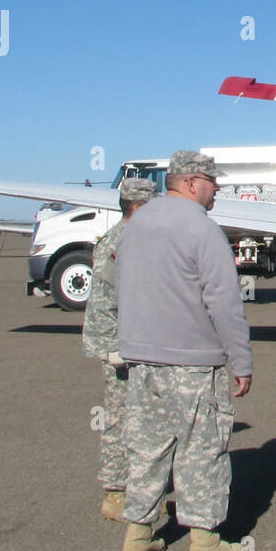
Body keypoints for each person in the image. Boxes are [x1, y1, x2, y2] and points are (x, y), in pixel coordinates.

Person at [114, 151, 253, 551]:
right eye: (212, 182)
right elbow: (224, 301)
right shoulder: (202, 229)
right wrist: (241, 360)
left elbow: (118, 280)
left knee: (147, 447)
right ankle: (204, 542)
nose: (217, 190)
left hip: (141, 359)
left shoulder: (137, 223)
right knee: (202, 448)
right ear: (192, 183)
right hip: (192, 359)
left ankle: (137, 533)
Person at [81, 177, 157, 523]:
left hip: (138, 345)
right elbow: (104, 301)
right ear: (138, 208)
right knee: (119, 418)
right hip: (120, 347)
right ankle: (115, 493)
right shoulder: (119, 241)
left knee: (141, 419)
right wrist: (113, 347)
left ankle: (138, 489)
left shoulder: (137, 239)